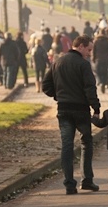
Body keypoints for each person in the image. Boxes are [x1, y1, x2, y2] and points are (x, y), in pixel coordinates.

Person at [42, 35, 101, 194]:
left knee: (67, 146)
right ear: (80, 46)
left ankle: (69, 183)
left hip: (63, 109)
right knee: (86, 143)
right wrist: (96, 107)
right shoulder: (83, 64)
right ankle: (87, 180)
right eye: (88, 49)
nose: (89, 53)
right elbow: (90, 88)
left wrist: (58, 96)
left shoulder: (58, 62)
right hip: (81, 110)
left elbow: (46, 86)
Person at [92, 28, 108, 94]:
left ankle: (101, 82)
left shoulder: (96, 41)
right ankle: (104, 83)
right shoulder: (107, 41)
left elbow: (94, 51)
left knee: (97, 72)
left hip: (98, 59)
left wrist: (93, 58)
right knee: (105, 72)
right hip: (106, 59)